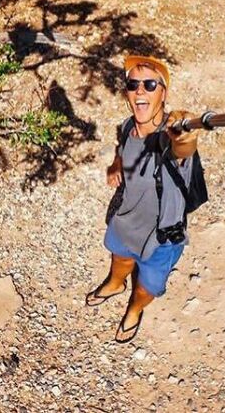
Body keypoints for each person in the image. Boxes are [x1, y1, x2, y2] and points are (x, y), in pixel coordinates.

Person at [86, 54, 198, 343]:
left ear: (164, 93)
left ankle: (134, 310)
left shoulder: (170, 138)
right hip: (126, 221)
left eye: (150, 84)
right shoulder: (127, 126)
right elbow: (123, 147)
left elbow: (183, 149)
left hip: (162, 239)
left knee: (146, 288)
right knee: (119, 258)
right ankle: (114, 284)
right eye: (133, 84)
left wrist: (184, 133)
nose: (140, 90)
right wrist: (116, 165)